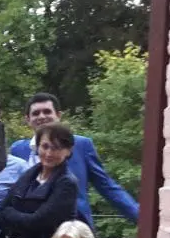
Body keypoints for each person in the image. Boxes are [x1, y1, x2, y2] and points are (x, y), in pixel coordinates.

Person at [10, 93, 138, 226]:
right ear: (28, 119)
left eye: (47, 111)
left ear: (58, 115)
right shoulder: (18, 150)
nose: (41, 116)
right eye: (36, 113)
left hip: (74, 227)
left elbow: (106, 186)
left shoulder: (81, 145)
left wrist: (141, 217)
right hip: (31, 228)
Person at [0, 123, 79, 238]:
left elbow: (38, 222)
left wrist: (11, 214)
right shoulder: (29, 175)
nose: (49, 153)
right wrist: (25, 219)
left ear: (68, 151)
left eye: (56, 148)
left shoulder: (66, 183)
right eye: (45, 146)